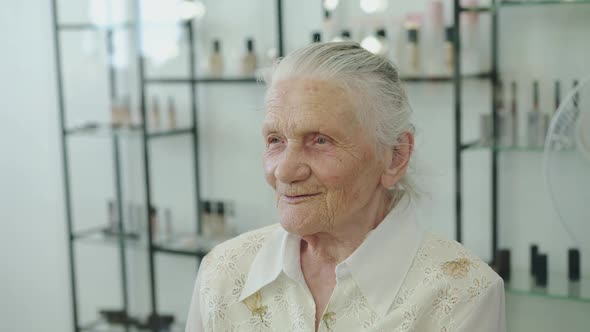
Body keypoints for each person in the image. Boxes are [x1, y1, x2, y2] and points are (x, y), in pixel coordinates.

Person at [185, 42, 505, 331]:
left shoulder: (461, 294)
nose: (284, 170)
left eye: (320, 140)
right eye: (275, 140)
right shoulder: (223, 274)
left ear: (395, 156)